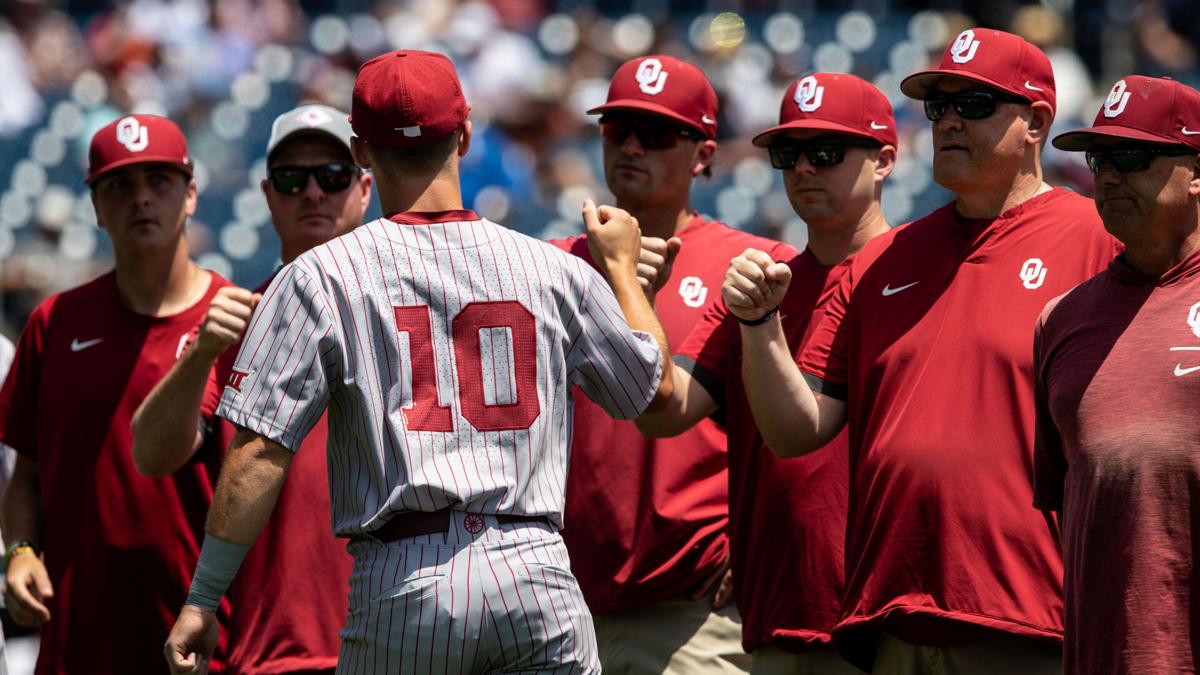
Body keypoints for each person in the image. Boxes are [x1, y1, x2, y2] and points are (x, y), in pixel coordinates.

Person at [164, 49, 674, 673]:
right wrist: (623, 271)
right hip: (534, 570)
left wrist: (204, 597)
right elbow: (645, 389)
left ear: (360, 153)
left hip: (406, 579)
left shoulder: (320, 276)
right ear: (463, 133)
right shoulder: (551, 268)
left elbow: (259, 454)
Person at [726, 29, 1119, 674]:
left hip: (1032, 615)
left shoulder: (1096, 239)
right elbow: (795, 431)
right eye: (940, 107)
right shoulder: (884, 257)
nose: (950, 123)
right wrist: (759, 321)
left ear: (1037, 122)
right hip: (892, 616)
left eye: (974, 105)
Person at [637, 72, 896, 675]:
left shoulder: (916, 271)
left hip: (882, 620)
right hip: (775, 614)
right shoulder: (761, 280)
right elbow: (663, 412)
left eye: (826, 152)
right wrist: (636, 294)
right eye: (789, 153)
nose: (804, 168)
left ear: (883, 161)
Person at [551, 53, 783, 673]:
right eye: (616, 129)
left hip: (696, 607)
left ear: (702, 155)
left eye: (654, 134)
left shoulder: (755, 264)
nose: (631, 146)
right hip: (565, 604)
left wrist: (766, 533)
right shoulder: (548, 266)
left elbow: (806, 424)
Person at [132, 104, 371, 674]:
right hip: (273, 648)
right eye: (292, 179)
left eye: (333, 176)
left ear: (365, 186)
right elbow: (152, 454)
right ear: (267, 194)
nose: (312, 192)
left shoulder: (413, 306)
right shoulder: (237, 318)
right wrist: (201, 355)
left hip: (405, 635)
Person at [0, 114, 232, 674]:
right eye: (120, 185)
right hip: (78, 645)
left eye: (159, 180)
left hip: (205, 647)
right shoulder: (54, 324)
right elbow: (25, 472)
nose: (141, 199)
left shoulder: (237, 319)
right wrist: (21, 551)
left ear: (191, 193)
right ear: (96, 205)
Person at [1035, 75, 1200, 675]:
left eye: (1131, 157)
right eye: (1099, 158)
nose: (1107, 176)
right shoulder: (1061, 319)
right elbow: (1066, 503)